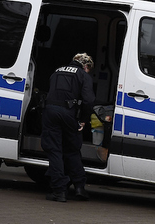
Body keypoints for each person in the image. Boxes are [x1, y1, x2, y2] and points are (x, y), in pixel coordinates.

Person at [41, 52, 95, 202]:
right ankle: (79, 187)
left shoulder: (57, 71)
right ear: (85, 66)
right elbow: (89, 100)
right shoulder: (83, 75)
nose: (88, 72)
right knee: (72, 150)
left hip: (50, 112)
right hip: (69, 115)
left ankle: (59, 190)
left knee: (54, 150)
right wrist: (84, 119)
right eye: (89, 69)